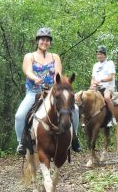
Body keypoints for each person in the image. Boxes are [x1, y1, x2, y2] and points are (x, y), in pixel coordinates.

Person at [14, 27, 81, 155]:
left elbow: (58, 74)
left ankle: (74, 138)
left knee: (76, 109)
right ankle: (21, 142)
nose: (44, 42)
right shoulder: (30, 56)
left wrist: (57, 85)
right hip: (34, 92)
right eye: (42, 40)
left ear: (50, 43)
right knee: (19, 115)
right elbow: (27, 70)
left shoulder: (55, 57)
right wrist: (36, 78)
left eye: (47, 40)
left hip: (52, 92)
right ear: (37, 41)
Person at [90, 45, 116, 126]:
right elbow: (93, 78)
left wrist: (100, 80)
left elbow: (111, 77)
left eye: (101, 54)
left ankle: (113, 118)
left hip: (108, 86)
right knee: (86, 97)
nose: (99, 56)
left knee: (107, 97)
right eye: (98, 54)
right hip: (97, 87)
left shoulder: (110, 63)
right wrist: (92, 84)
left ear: (105, 55)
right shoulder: (95, 65)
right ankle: (87, 118)